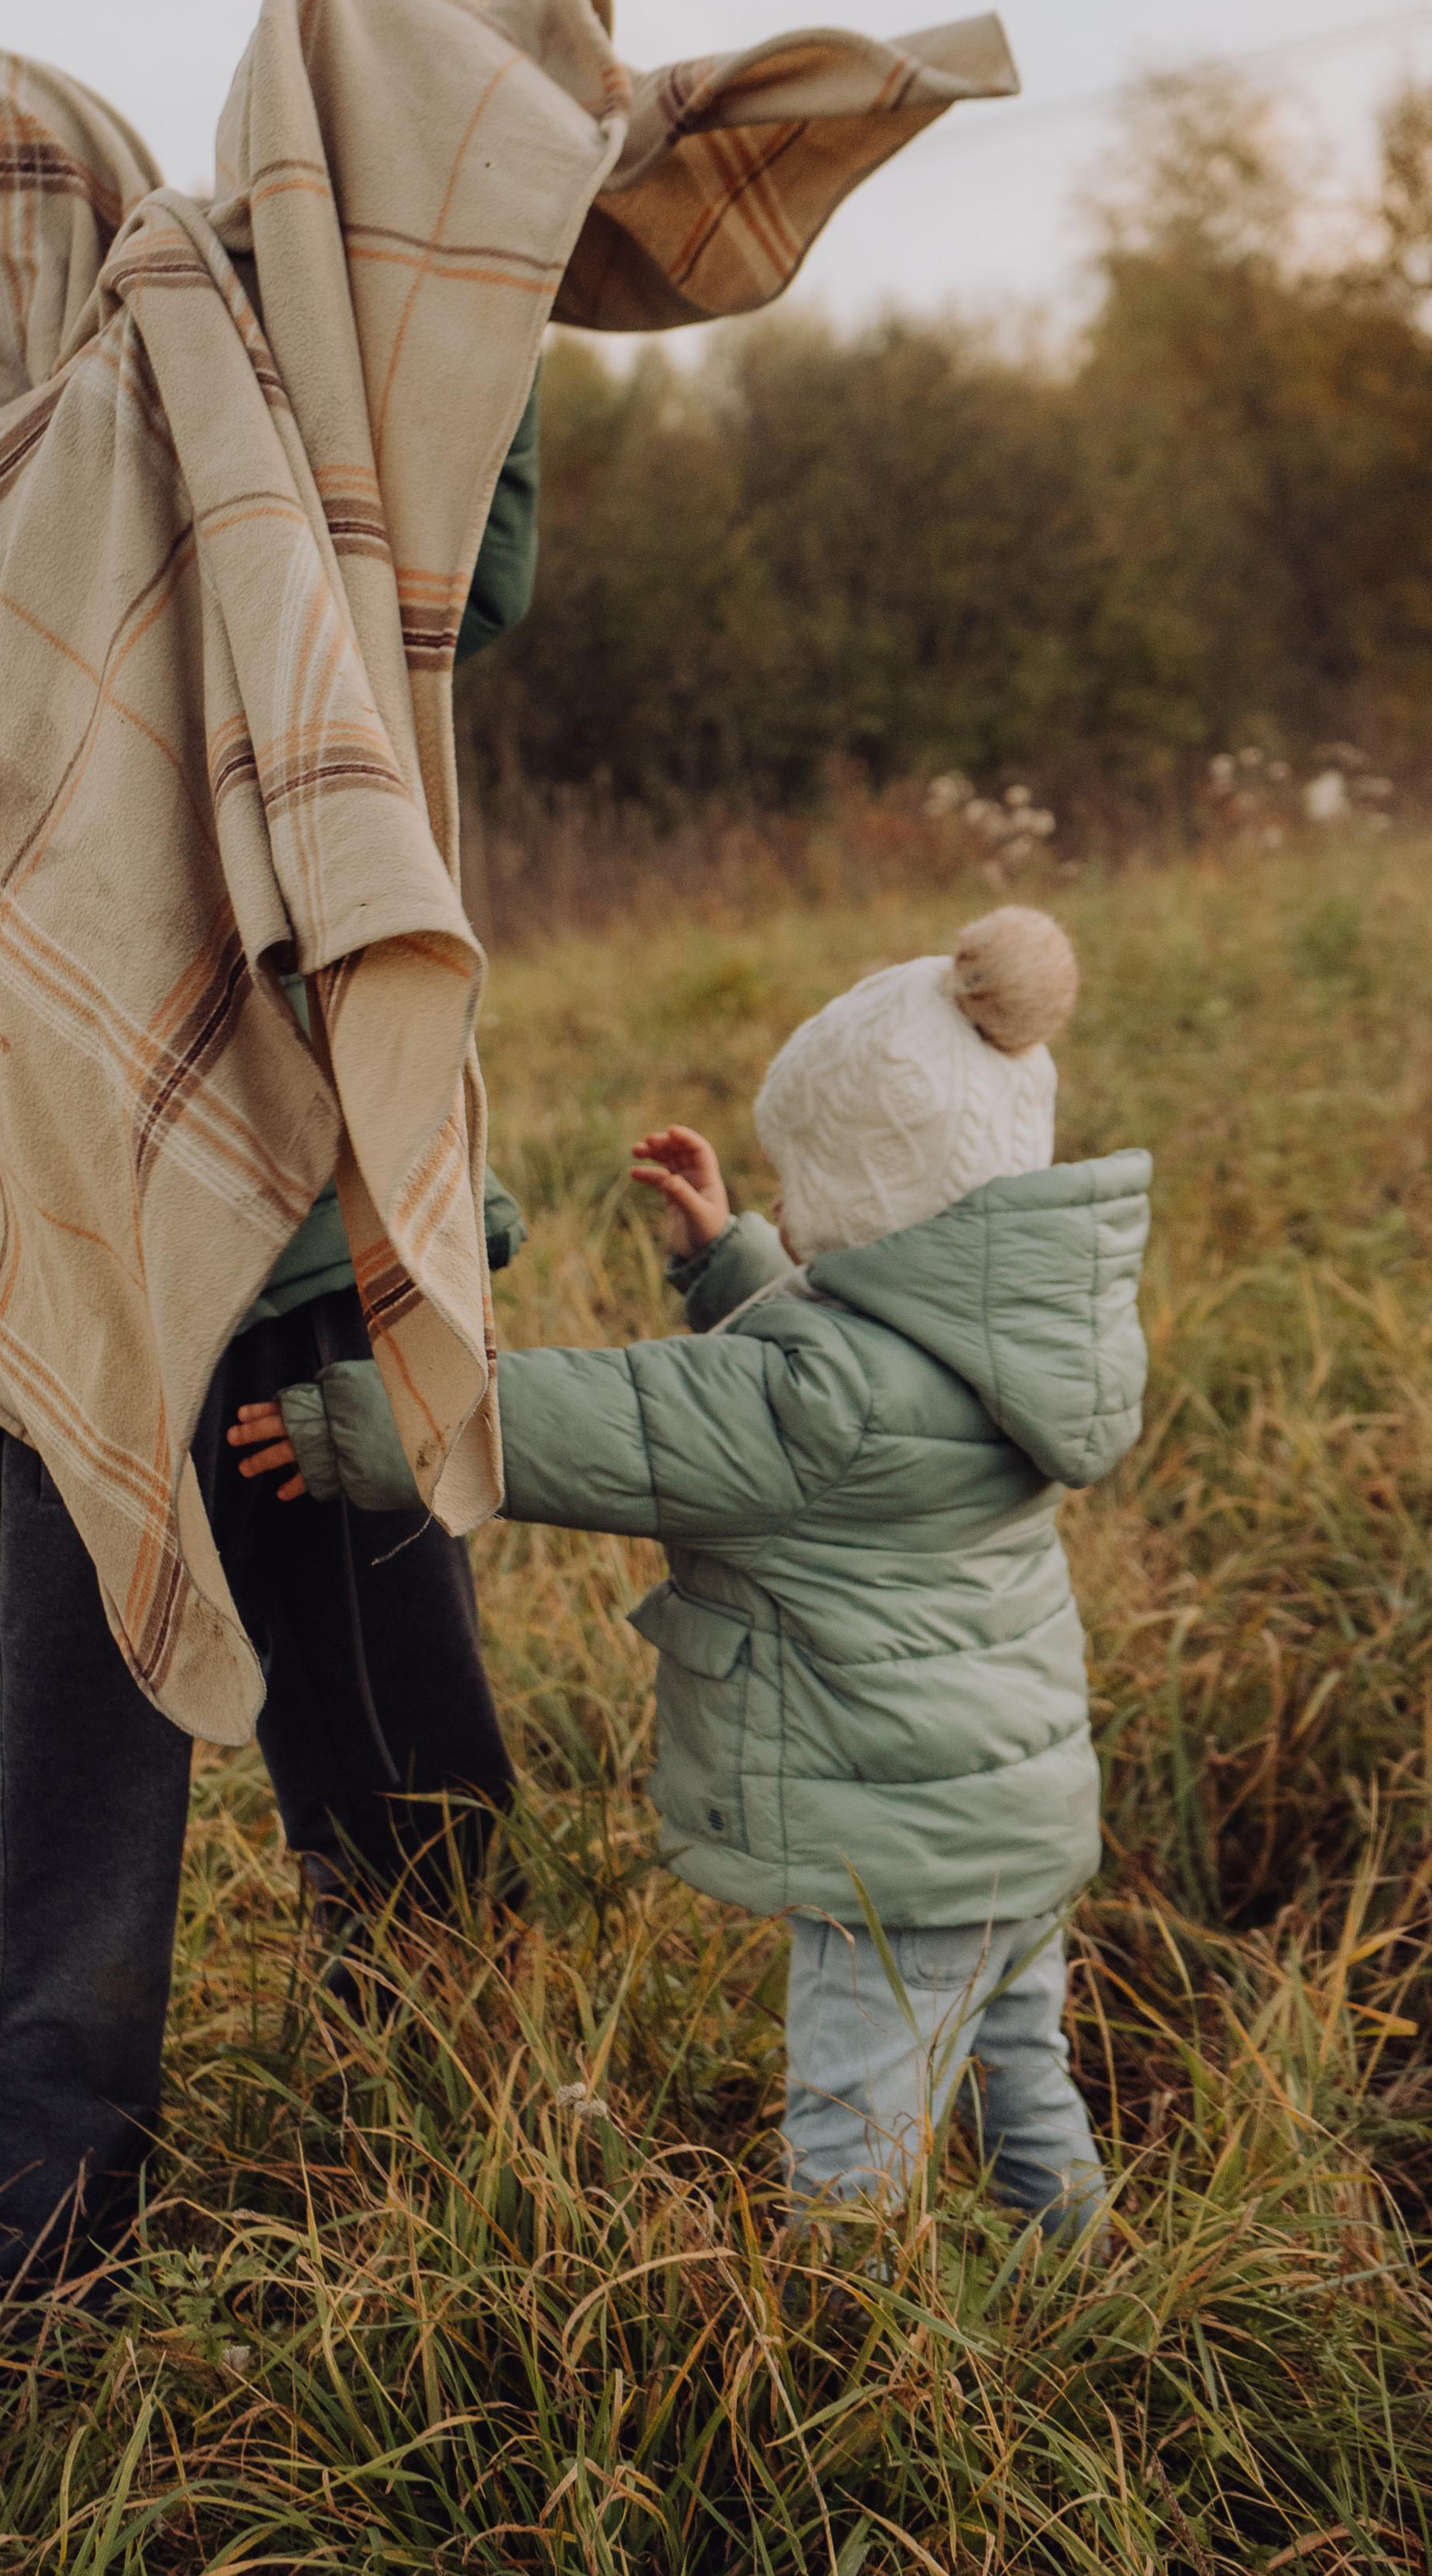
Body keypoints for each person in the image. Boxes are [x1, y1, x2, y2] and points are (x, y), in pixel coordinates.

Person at [231, 905, 1149, 2234]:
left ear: (873, 1191)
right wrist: (733, 1261)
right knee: (1028, 2081)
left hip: (900, 1864)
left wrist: (352, 1422)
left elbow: (607, 1423)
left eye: (799, 1179)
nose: (785, 1197)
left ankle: (855, 2356)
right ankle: (1083, 2273)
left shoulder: (817, 1405)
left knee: (855, 2128)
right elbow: (846, 1362)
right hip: (1025, 1821)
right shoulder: (1021, 1346)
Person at [0, 378, 542, 2298]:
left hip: (150, 1320)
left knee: (323, 1788)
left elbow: (460, 568)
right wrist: (483, 334)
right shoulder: (138, 506)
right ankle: (35, 2289)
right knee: (117, 1825)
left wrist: (485, 342)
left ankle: (446, 2157)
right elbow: (464, 563)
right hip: (153, 1318)